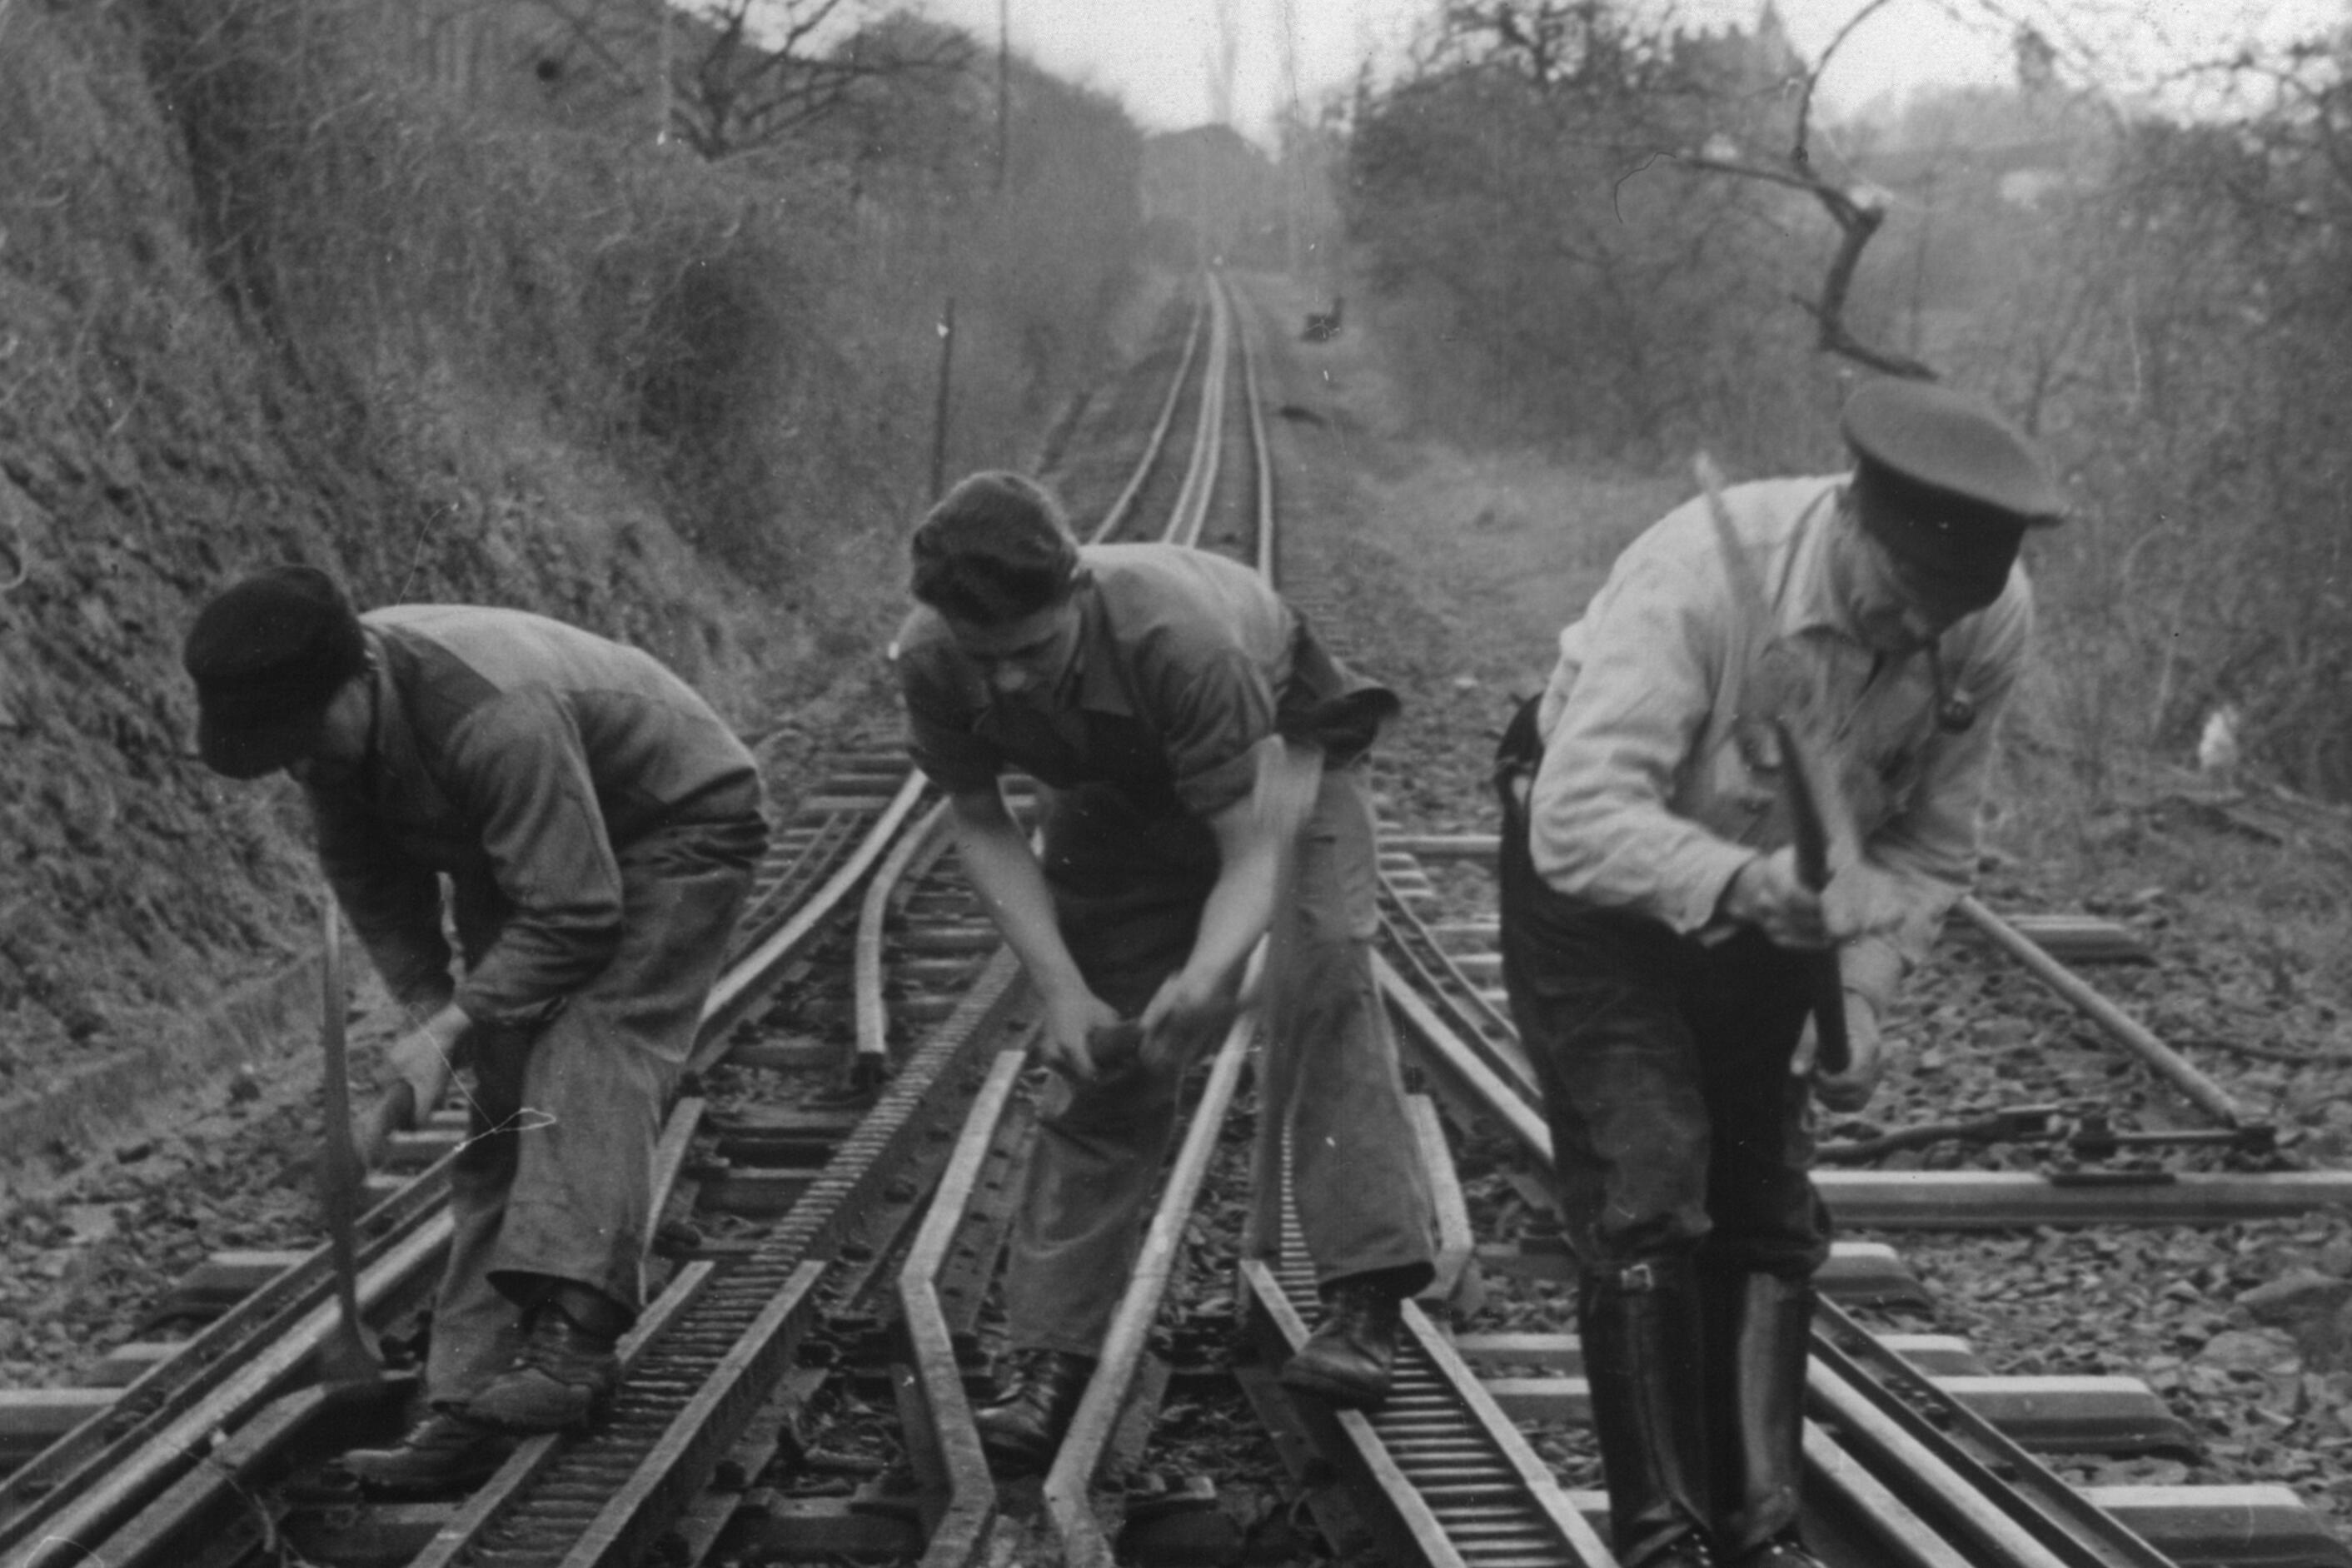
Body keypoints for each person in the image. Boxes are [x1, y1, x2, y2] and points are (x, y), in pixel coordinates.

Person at [1493, 381, 2065, 1568]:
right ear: (1849, 518)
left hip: (1786, 902)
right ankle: (1664, 1540)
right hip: (1601, 887)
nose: (1913, 634)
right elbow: (1579, 816)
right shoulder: (1702, 574)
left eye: (1940, 616)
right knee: (1652, 1175)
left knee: (1765, 1208)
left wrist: (1860, 989)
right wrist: (1751, 888)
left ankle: (1760, 1533)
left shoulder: (1987, 614)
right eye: (1893, 600)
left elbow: (1928, 843)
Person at [890, 471, 1438, 1472]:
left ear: (1075, 596)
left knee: (1319, 981)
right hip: (1110, 791)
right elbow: (977, 816)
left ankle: (1363, 1298)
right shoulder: (930, 656)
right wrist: (1060, 985)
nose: (1006, 682)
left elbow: (1250, 849)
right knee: (1104, 1056)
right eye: (985, 659)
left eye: (1029, 652)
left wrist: (1211, 971)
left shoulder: (1183, 642)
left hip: (1281, 772)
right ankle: (1047, 1355)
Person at [182, 567, 769, 1492]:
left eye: (303, 740)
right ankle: (466, 1400)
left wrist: (454, 1019)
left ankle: (572, 1343)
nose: (299, 766)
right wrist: (432, 1022)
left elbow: (579, 917)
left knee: (590, 1044)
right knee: (503, 1103)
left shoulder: (493, 716)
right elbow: (379, 892)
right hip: (535, 852)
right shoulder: (333, 737)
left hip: (673, 824)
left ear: (360, 677)